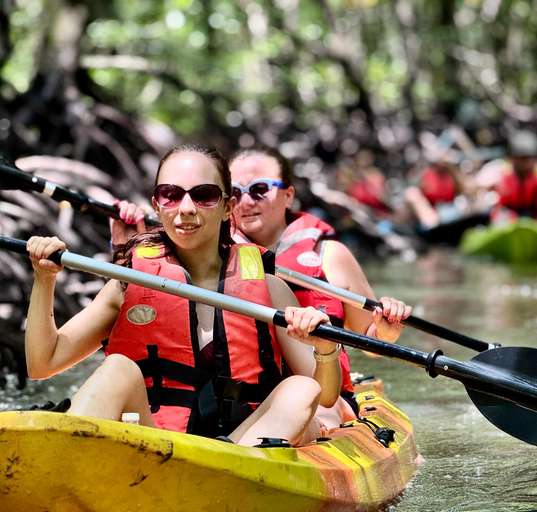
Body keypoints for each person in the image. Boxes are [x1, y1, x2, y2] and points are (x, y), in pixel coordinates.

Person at [25, 144, 342, 447]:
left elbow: (325, 396)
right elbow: (43, 364)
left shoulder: (270, 288)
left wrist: (326, 351)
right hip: (158, 445)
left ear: (227, 207)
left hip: (243, 448)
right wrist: (44, 278)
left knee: (300, 388)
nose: (186, 209)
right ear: (158, 205)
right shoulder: (128, 284)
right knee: (117, 369)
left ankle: (226, 472)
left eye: (204, 196)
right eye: (171, 195)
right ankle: (67, 458)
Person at [228, 146, 412, 426]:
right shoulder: (216, 255)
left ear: (288, 195)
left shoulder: (330, 255)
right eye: (235, 192)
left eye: (259, 189)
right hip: (250, 397)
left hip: (326, 396)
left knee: (317, 406)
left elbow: (371, 342)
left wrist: (385, 331)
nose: (246, 201)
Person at [475, 129, 537, 222]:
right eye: (522, 158)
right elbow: (476, 186)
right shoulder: (500, 169)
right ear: (513, 157)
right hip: (508, 220)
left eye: (529, 158)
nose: (527, 162)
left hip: (536, 220)